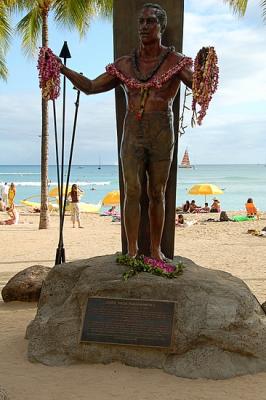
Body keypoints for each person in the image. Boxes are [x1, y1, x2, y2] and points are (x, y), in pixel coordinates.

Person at [58, 3, 193, 260]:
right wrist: (62, 68)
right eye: (141, 22)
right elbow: (90, 86)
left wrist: (208, 70)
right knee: (132, 190)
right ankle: (131, 251)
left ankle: (155, 250)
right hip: (132, 129)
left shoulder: (175, 61)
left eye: (150, 21)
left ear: (161, 26)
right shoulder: (124, 65)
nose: (144, 27)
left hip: (162, 129)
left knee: (157, 192)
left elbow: (197, 85)